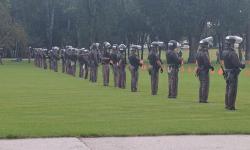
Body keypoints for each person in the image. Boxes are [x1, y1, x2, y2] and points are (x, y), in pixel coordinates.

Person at [223, 36, 245, 110]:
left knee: (227, 89)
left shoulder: (224, 52)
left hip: (227, 72)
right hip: (233, 73)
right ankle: (231, 106)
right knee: (232, 90)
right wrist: (242, 65)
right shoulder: (232, 53)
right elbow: (237, 63)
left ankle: (227, 104)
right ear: (231, 44)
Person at [196, 37, 214, 103]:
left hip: (199, 70)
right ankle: (204, 99)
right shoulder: (204, 53)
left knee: (201, 85)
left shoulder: (198, 52)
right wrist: (211, 67)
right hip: (204, 70)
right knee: (205, 85)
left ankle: (200, 98)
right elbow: (207, 62)